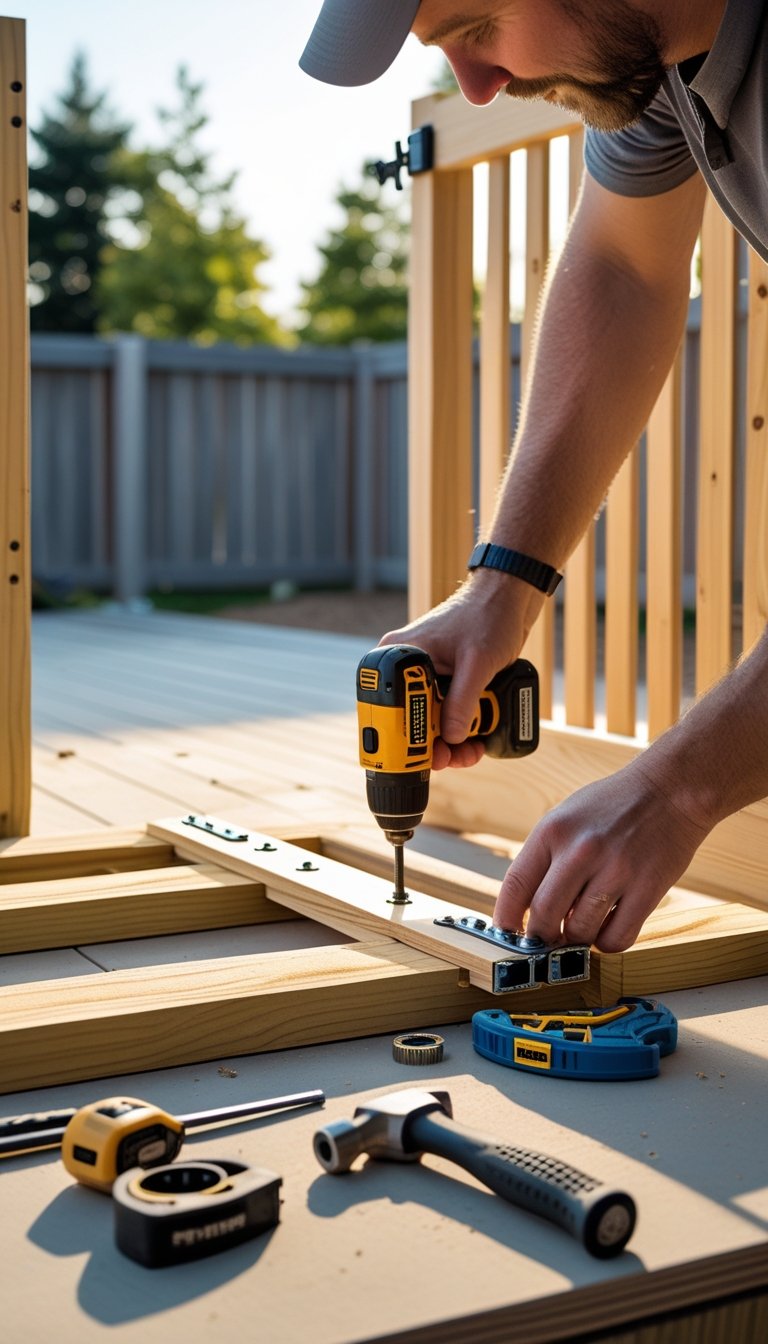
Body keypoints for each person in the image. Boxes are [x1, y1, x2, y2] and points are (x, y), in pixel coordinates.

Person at [299, 1, 768, 953]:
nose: (475, 86)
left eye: (474, 25)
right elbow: (624, 265)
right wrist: (501, 588)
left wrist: (680, 785)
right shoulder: (659, 61)